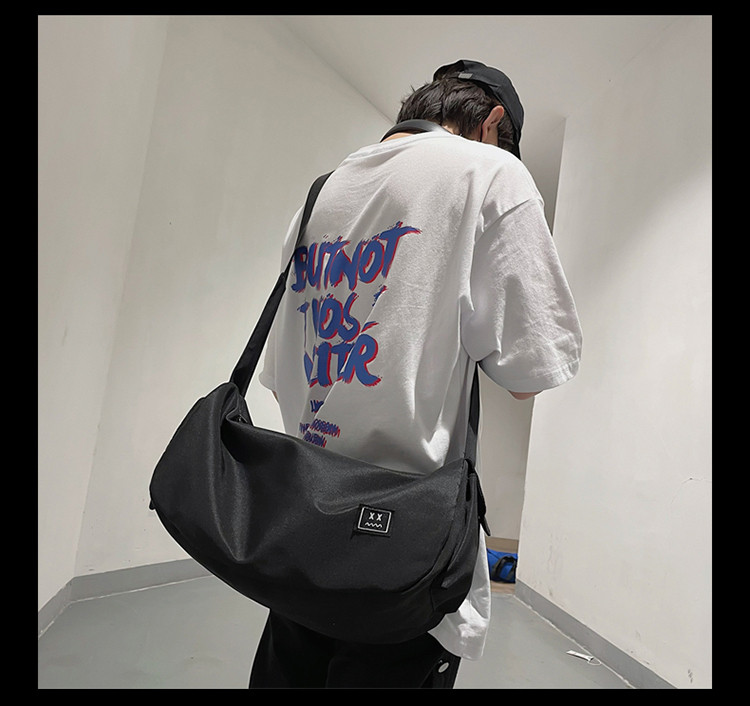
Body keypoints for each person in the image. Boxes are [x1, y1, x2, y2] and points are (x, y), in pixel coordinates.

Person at [250, 59, 582, 689]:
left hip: (303, 521)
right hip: (405, 544)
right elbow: (530, 371)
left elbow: (279, 370)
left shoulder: (325, 190)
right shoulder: (491, 171)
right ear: (491, 124)